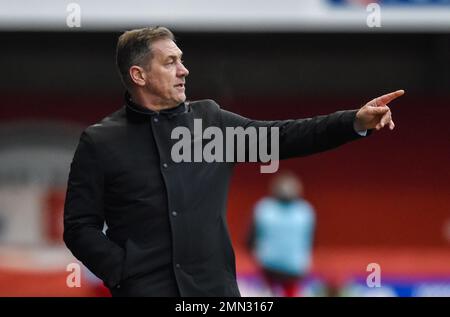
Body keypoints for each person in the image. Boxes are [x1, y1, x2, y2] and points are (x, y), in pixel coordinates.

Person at [63, 26, 404, 297]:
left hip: (216, 293)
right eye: (170, 62)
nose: (184, 70)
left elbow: (286, 137)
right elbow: (79, 227)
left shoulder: (210, 123)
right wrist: (124, 273)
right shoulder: (100, 141)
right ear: (139, 75)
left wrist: (354, 122)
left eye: (180, 59)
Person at [247, 172, 315, 297]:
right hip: (295, 267)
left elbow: (249, 240)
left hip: (268, 265)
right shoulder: (305, 211)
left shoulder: (263, 208)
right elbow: (311, 241)